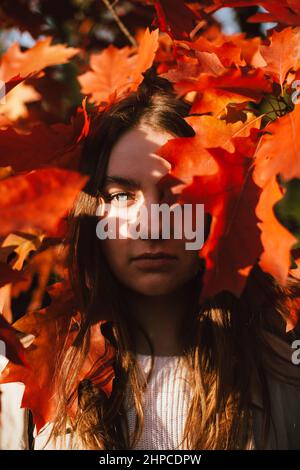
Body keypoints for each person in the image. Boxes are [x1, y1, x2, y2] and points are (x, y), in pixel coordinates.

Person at [1, 74, 300, 450]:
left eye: (176, 194)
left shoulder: (285, 374)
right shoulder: (29, 376)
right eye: (122, 196)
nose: (152, 226)